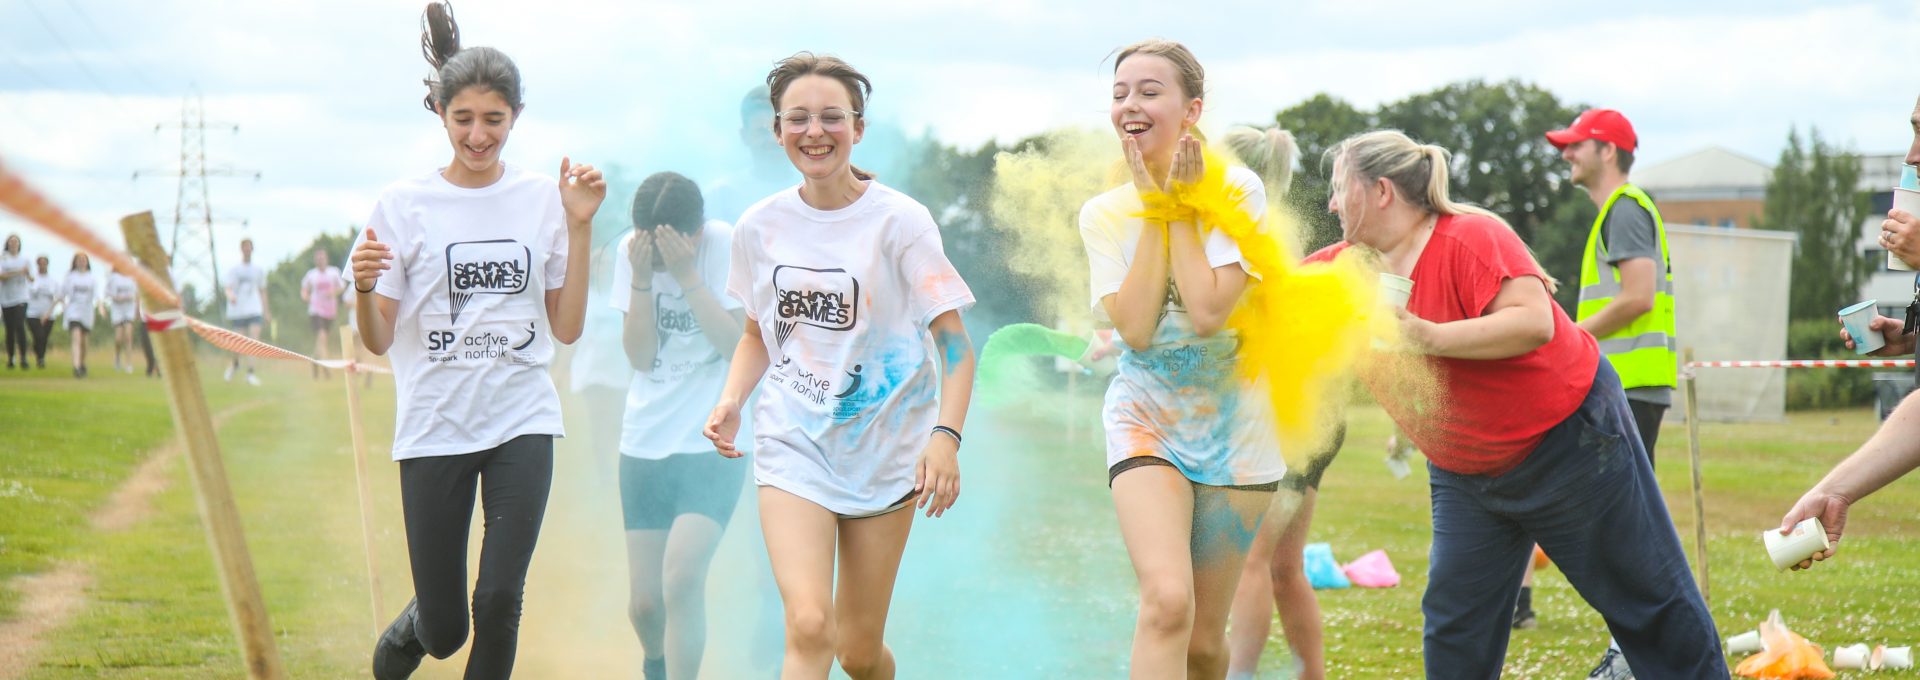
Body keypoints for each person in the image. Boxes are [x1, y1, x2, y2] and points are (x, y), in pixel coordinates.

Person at [1305, 129, 1723, 679]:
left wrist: (1426, 337)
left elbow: (1533, 322)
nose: (1332, 202)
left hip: (1569, 441)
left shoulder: (1471, 236)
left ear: (1382, 191)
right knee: (1455, 622)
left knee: (1646, 598)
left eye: (1340, 187)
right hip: (1466, 471)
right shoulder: (1342, 270)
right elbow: (1260, 300)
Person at [348, 3, 605, 678]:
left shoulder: (542, 200)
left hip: (521, 417)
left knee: (498, 599)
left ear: (516, 115)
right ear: (439, 113)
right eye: (464, 118)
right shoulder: (404, 205)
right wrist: (363, 288)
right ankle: (412, 628)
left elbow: (568, 327)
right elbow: (377, 340)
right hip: (435, 424)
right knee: (446, 628)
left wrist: (580, 228)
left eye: (494, 119)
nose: (479, 133)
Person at [703, 52, 976, 680]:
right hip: (792, 442)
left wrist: (946, 436)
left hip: (886, 449)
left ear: (858, 127)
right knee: (807, 627)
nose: (814, 131)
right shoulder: (759, 227)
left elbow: (955, 345)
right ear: (777, 130)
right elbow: (756, 332)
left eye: (831, 117)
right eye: (797, 118)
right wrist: (731, 399)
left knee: (856, 652)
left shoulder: (900, 222)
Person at [1080, 41, 1283, 679]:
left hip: (1238, 426)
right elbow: (1137, 329)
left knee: (1201, 641)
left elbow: (1208, 310)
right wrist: (1155, 207)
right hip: (1147, 418)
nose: (1130, 106)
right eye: (1120, 93)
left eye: (1149, 91)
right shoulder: (1105, 214)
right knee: (1168, 602)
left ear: (1191, 109)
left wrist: (1178, 211)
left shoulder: (1238, 191)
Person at [613, 172, 750, 680]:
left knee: (683, 578)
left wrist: (689, 276)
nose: (666, 249)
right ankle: (656, 664)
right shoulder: (633, 253)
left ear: (697, 230)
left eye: (679, 239)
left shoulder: (723, 244)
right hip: (646, 442)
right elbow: (641, 358)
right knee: (646, 605)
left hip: (714, 441)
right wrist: (643, 279)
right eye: (654, 241)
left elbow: (736, 348)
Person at [1214, 124, 1333, 680]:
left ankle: (1238, 675)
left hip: (1283, 414)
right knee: (1285, 566)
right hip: (1314, 415)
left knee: (1252, 562)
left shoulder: (1247, 237)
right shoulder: (1275, 233)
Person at [224, 237, 269, 386]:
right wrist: (231, 297)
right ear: (241, 249)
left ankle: (250, 373)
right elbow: (228, 288)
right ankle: (235, 364)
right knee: (238, 342)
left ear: (252, 249)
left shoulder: (258, 270)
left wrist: (266, 311)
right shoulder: (234, 269)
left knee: (253, 341)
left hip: (254, 309)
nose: (247, 250)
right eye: (245, 247)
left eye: (249, 247)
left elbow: (262, 290)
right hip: (238, 311)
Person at [48, 253, 96, 378]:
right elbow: (61, 294)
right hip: (73, 311)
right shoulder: (70, 277)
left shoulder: (91, 278)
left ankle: (82, 363)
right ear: (75, 262)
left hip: (87, 311)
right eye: (79, 260)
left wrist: (101, 307)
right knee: (76, 338)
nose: (81, 262)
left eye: (84, 260)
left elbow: (96, 296)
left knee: (84, 342)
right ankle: (76, 367)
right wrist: (50, 311)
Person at [301, 247, 343, 379]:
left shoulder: (334, 272)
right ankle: (326, 369)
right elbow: (304, 289)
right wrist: (306, 297)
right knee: (322, 337)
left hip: (330, 311)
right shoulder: (311, 274)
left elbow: (341, 287)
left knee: (322, 341)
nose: (320, 260)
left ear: (326, 259)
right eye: (318, 258)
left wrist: (333, 293)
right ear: (315, 260)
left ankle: (315, 360)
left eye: (322, 257)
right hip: (316, 310)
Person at [1, 234, 29, 369]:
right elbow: (2, 276)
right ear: (7, 244)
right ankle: (11, 358)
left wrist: (26, 273)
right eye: (11, 241)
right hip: (6, 299)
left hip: (21, 298)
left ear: (19, 244)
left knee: (20, 326)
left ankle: (23, 357)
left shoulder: (24, 259)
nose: (13, 243)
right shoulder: (3, 258)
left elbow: (31, 278)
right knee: (9, 329)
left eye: (16, 241)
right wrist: (18, 272)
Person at [106, 265, 139, 374]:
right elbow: (107, 292)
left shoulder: (132, 277)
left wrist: (136, 308)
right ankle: (117, 357)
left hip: (129, 309)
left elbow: (136, 294)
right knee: (118, 338)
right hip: (117, 309)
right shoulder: (113, 278)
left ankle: (129, 363)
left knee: (128, 336)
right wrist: (116, 297)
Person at [24, 255, 55, 369]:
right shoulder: (32, 280)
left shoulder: (52, 280)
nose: (42, 265)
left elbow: (55, 297)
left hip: (48, 314)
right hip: (33, 313)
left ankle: (40, 357)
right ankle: (40, 359)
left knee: (44, 337)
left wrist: (48, 313)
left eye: (44, 263)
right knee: (39, 336)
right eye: (40, 263)